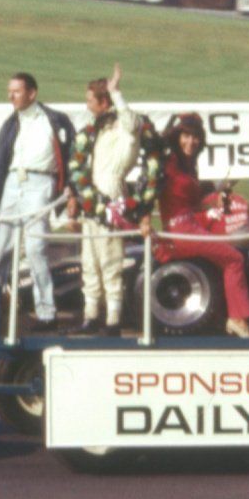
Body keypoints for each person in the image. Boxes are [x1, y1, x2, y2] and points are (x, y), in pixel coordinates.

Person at [67, 64, 163, 336]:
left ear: (104, 102)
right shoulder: (96, 129)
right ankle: (91, 316)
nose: (87, 106)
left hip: (110, 195)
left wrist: (116, 92)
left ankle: (113, 319)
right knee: (90, 262)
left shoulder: (125, 127)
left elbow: (133, 123)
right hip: (92, 197)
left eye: (90, 100)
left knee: (110, 262)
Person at [0, 72, 76, 328]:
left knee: (35, 249)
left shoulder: (55, 120)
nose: (10, 96)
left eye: (16, 91)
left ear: (32, 93)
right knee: (1, 249)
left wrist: (71, 191)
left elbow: (71, 158)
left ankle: (46, 312)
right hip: (13, 184)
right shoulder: (10, 124)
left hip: (40, 184)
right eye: (9, 91)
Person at [156, 112, 249, 338]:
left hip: (192, 223)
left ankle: (224, 313)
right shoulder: (168, 161)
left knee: (235, 241)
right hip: (181, 230)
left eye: (196, 137)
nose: (191, 142)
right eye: (186, 136)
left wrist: (215, 197)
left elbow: (192, 202)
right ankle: (237, 318)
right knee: (234, 258)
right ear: (177, 136)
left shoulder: (188, 164)